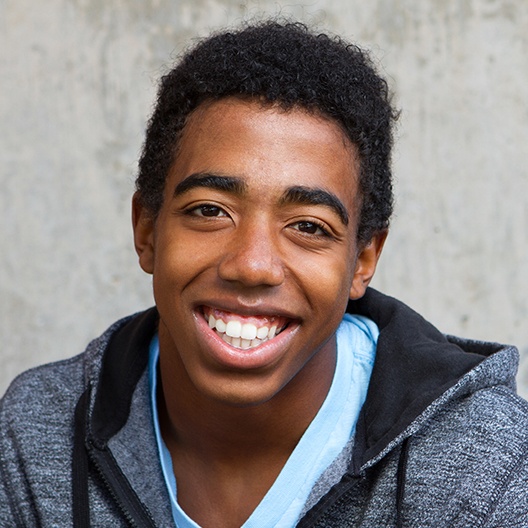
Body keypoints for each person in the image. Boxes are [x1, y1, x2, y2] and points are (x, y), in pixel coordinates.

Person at [1, 20, 527, 528]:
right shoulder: (36, 434)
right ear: (147, 231)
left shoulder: (482, 464)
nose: (252, 265)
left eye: (308, 226)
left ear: (363, 260)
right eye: (211, 211)